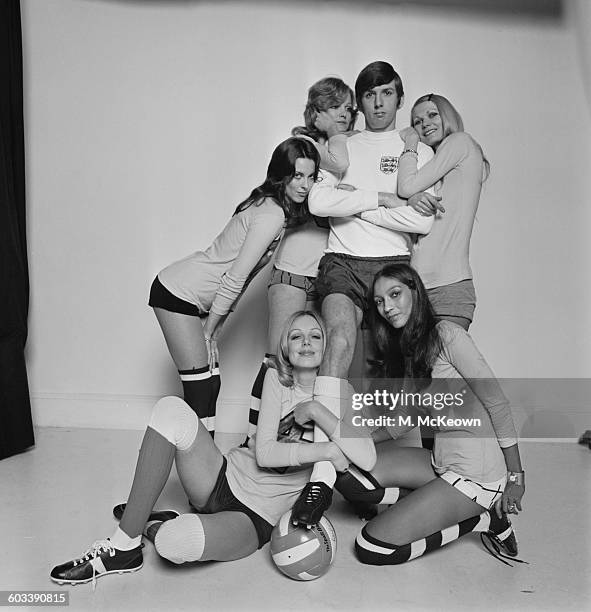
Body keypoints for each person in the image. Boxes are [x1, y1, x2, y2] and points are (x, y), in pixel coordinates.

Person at [50, 311, 376, 586]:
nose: (305, 342)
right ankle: (124, 545)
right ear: (286, 349)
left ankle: (152, 523)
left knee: (172, 544)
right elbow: (265, 453)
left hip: (254, 517)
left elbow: (367, 457)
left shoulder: (341, 394)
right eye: (295, 336)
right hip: (221, 477)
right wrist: (327, 451)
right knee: (171, 409)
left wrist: (319, 412)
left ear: (326, 345)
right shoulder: (277, 380)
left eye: (315, 336)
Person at [291, 61, 440, 526]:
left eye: (388, 94)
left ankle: (366, 469)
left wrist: (362, 205)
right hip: (341, 261)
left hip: (390, 266)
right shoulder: (343, 144)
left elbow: (421, 221)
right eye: (370, 95)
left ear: (399, 98)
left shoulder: (417, 150)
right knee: (337, 341)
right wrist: (385, 199)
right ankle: (319, 475)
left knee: (389, 366)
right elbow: (318, 203)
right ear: (361, 102)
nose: (378, 104)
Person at [335, 263, 525, 565]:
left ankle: (484, 520)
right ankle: (426, 502)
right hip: (440, 462)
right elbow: (403, 421)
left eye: (395, 294)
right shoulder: (409, 348)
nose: (387, 307)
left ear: (415, 291)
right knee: (348, 475)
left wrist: (516, 476)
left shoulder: (447, 335)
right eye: (380, 301)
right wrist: (350, 442)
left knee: (372, 547)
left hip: (475, 476)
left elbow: (498, 403)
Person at [148, 137, 320, 438]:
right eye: (297, 176)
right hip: (178, 292)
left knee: (210, 385)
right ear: (282, 175)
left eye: (311, 176)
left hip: (197, 300)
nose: (305, 185)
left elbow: (244, 278)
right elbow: (235, 277)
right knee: (201, 388)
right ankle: (199, 469)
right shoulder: (272, 214)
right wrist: (209, 330)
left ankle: (206, 463)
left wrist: (215, 327)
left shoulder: (276, 210)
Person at [247, 76, 357, 440]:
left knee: (309, 365)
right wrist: (341, 188)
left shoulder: (342, 152)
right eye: (336, 107)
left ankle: (294, 438)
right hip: (292, 271)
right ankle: (253, 438)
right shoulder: (309, 146)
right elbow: (316, 197)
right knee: (277, 360)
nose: (346, 113)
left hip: (325, 274)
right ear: (317, 112)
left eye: (348, 108)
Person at [395, 93, 490, 330]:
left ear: (447, 116)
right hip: (418, 288)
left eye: (432, 115)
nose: (425, 123)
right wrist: (412, 199)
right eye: (417, 122)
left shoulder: (459, 142)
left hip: (448, 286)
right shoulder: (436, 164)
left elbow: (405, 186)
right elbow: (413, 200)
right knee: (416, 368)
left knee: (445, 367)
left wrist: (410, 142)